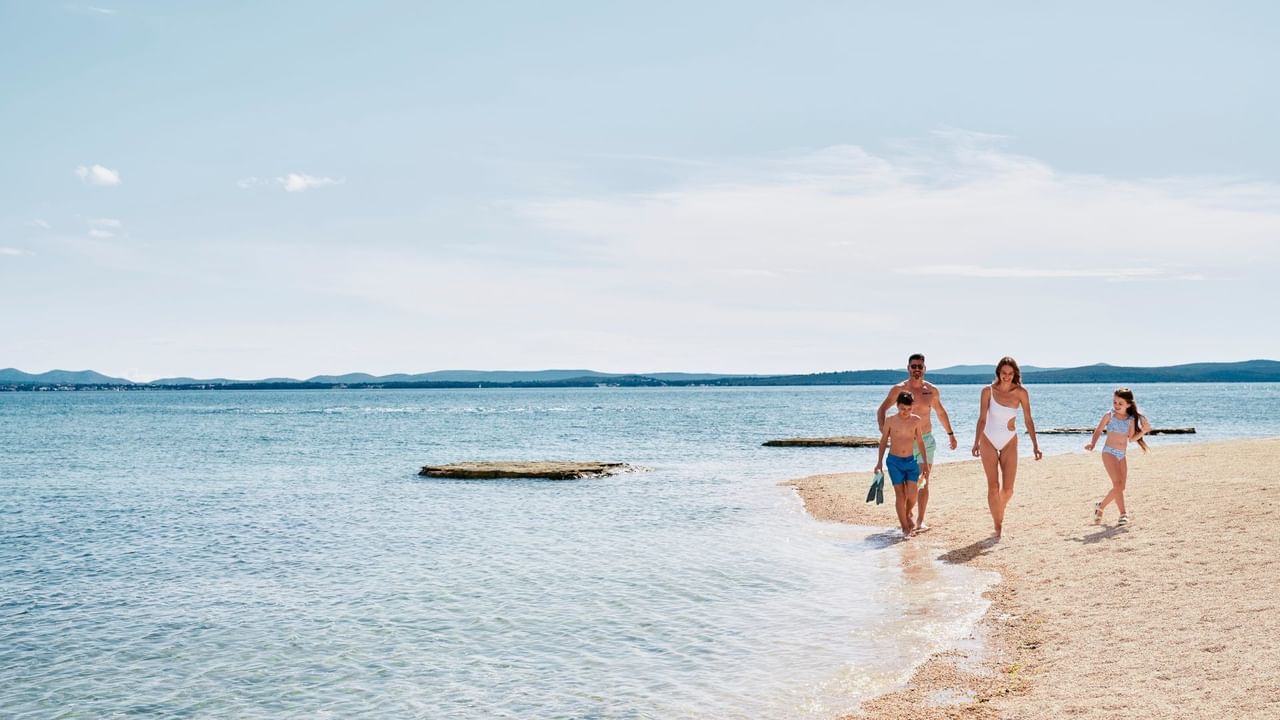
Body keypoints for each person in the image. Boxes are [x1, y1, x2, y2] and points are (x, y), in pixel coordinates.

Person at [876, 353, 957, 533]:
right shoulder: (898, 389)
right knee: (907, 486)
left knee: (923, 482)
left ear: (925, 369)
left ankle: (920, 520)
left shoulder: (932, 390)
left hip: (926, 440)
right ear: (908, 368)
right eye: (914, 366)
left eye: (920, 366)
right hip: (905, 443)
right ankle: (907, 515)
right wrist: (885, 432)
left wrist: (950, 434)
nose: (917, 369)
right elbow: (882, 409)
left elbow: (941, 413)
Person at [971, 357, 1042, 539]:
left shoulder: (1021, 393)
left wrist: (1035, 445)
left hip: (1009, 440)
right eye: (1004, 373)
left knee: (1008, 490)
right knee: (993, 486)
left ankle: (998, 508)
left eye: (1010, 373)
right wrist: (976, 442)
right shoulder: (987, 391)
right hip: (988, 439)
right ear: (998, 373)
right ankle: (998, 524)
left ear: (1015, 374)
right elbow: (982, 419)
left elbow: (1028, 420)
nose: (1007, 377)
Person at [1085, 387, 1151, 525]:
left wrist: (1143, 431)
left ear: (1128, 404)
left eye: (1120, 403)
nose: (1116, 405)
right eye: (1115, 402)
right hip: (1109, 452)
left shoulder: (1131, 419)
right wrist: (1092, 443)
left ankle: (1100, 506)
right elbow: (1098, 430)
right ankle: (1123, 514)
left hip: (1122, 455)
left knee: (1121, 487)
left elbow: (1131, 439)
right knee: (1117, 484)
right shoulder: (1109, 415)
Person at [874, 390, 931, 537]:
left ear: (912, 407)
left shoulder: (916, 420)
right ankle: (905, 527)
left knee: (912, 495)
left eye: (909, 409)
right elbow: (883, 442)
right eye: (902, 408)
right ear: (897, 406)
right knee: (900, 495)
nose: (905, 412)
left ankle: (906, 514)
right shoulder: (890, 420)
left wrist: (924, 462)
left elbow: (920, 441)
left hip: (911, 461)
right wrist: (879, 463)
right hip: (894, 462)